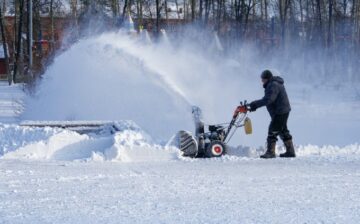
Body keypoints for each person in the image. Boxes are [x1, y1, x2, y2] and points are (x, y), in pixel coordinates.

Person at [249, 70, 296, 159]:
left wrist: (255, 104)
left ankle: (270, 152)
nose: (262, 81)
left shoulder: (273, 85)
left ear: (267, 78)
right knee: (282, 130)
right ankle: (290, 152)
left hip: (280, 111)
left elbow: (268, 99)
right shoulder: (272, 84)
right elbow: (268, 99)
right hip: (282, 110)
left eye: (263, 79)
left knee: (273, 130)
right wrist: (254, 105)